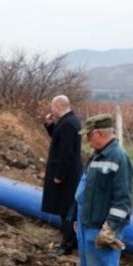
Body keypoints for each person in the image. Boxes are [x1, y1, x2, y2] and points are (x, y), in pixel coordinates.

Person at [67, 114, 133, 266]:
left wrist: (111, 227)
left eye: (89, 135)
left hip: (101, 227)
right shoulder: (97, 156)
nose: (87, 139)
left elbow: (123, 200)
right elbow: (83, 190)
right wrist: (76, 217)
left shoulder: (118, 158)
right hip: (86, 221)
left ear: (101, 133)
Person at [42, 95, 83, 255]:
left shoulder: (68, 124)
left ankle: (67, 244)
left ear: (58, 106)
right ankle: (70, 241)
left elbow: (66, 152)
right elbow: (58, 141)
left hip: (66, 175)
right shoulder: (68, 121)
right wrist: (50, 125)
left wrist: (59, 175)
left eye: (52, 107)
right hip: (68, 173)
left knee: (65, 209)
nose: (52, 110)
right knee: (65, 209)